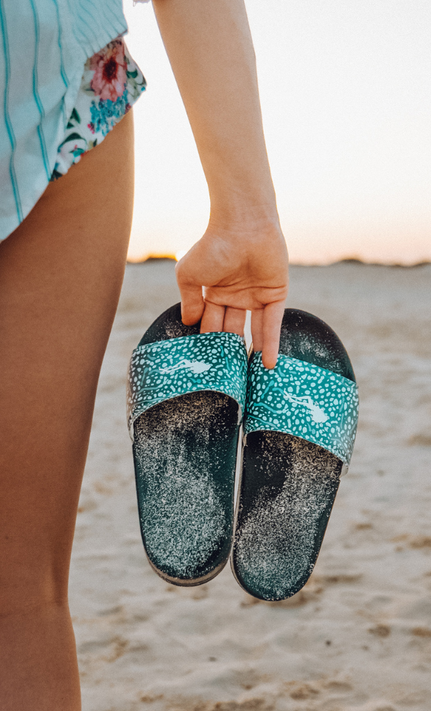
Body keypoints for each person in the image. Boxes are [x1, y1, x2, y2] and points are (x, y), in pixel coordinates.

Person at [0, 1, 289, 708]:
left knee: (17, 603)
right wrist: (245, 207)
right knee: (15, 603)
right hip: (48, 70)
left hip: (52, 66)